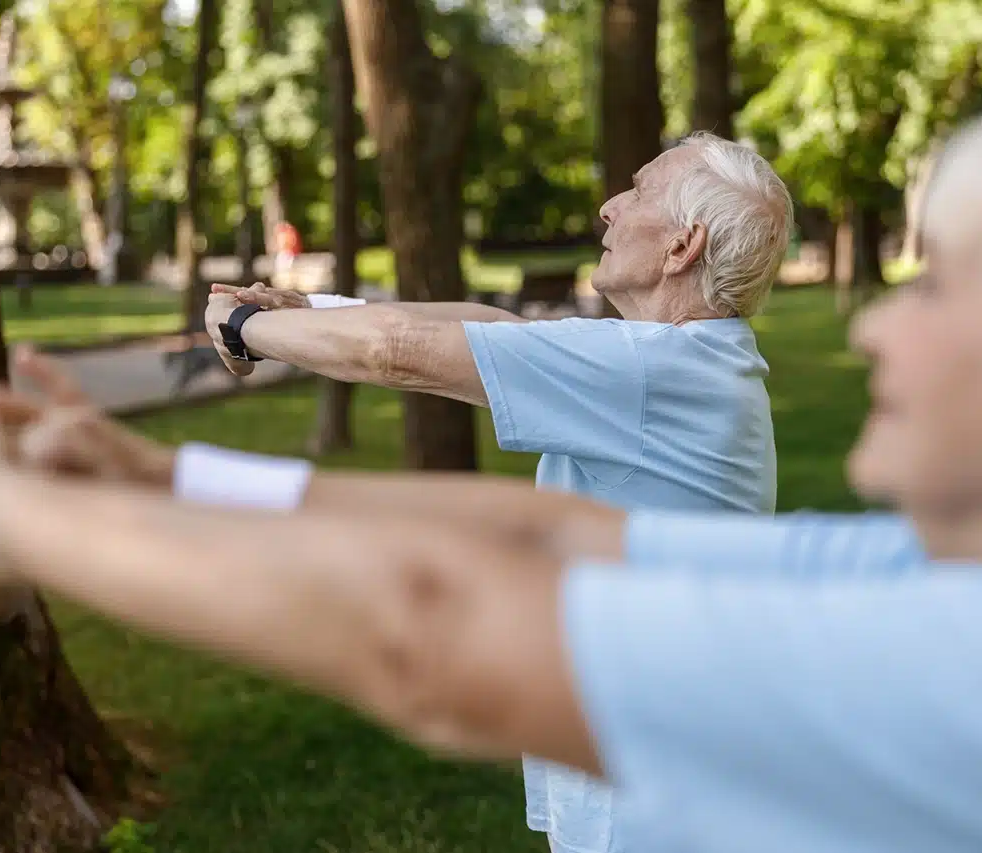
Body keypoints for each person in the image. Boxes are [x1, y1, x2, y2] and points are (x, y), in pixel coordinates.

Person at [0, 79, 982, 852]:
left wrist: (14, 517)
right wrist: (167, 484)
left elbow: (432, 627)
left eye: (951, 288)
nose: (871, 323)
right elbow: (536, 542)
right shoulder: (946, 577)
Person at [201, 133, 794, 853]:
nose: (608, 208)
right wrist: (307, 306)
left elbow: (398, 351)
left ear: (681, 247)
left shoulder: (656, 372)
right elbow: (498, 328)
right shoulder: (685, 361)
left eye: (637, 191)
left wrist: (247, 326)